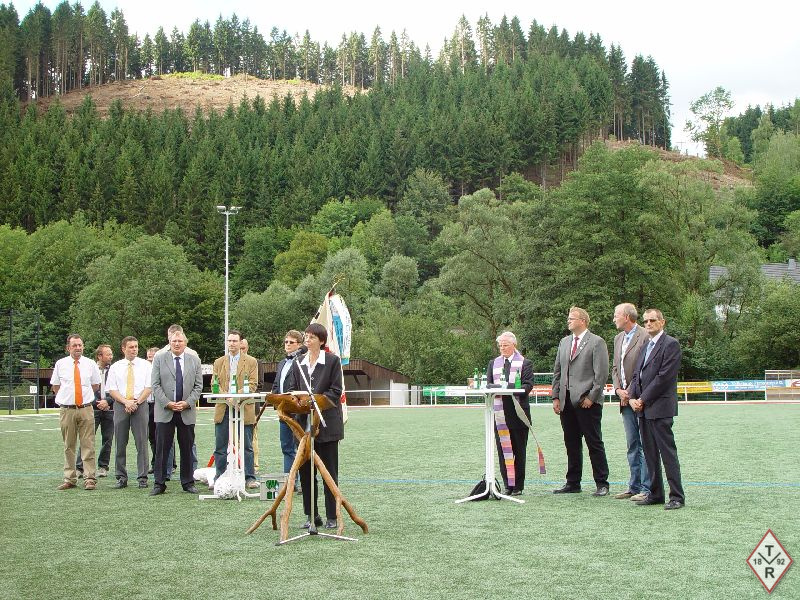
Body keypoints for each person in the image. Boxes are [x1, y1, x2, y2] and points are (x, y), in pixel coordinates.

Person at [287, 323, 344, 530]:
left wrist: (316, 401)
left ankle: (332, 516)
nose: (307, 340)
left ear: (321, 341)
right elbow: (293, 389)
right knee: (306, 473)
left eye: (312, 337)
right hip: (304, 427)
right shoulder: (298, 363)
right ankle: (311, 515)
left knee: (329, 472)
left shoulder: (332, 361)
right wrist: (297, 400)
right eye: (306, 336)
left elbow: (335, 391)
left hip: (326, 425)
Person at [629, 309, 685, 510]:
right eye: (645, 321)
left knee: (667, 453)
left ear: (662, 322)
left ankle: (676, 496)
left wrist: (642, 398)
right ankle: (655, 493)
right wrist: (632, 397)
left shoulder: (671, 344)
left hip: (660, 408)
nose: (648, 323)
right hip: (643, 409)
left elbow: (664, 377)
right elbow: (637, 375)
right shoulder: (646, 345)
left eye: (652, 320)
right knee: (650, 454)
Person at [551, 307, 611, 496]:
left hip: (587, 402)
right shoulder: (564, 342)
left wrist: (592, 397)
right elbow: (558, 371)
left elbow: (601, 374)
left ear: (583, 321)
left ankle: (602, 483)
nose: (568, 321)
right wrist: (555, 396)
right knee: (571, 443)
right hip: (566, 401)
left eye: (572, 318)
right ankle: (573, 482)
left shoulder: (596, 342)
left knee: (594, 442)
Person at [150, 329, 203, 495]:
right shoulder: (159, 358)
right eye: (174, 341)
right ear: (169, 343)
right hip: (165, 411)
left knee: (187, 448)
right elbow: (155, 385)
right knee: (161, 449)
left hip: (186, 412)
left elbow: (198, 386)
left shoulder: (194, 360)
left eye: (180, 341)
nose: (177, 344)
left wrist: (187, 403)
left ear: (185, 343)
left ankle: (188, 482)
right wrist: (167, 403)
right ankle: (159, 483)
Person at [485, 331, 534, 496]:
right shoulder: (493, 363)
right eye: (500, 345)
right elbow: (489, 385)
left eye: (505, 345)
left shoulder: (525, 363)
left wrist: (507, 388)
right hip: (500, 414)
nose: (502, 348)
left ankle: (518, 486)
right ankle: (508, 485)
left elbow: (527, 386)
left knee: (519, 452)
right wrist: (499, 388)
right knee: (503, 452)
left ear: (514, 345)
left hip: (519, 414)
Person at [51, 334, 102, 490]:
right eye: (74, 345)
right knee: (69, 445)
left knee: (88, 444)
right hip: (67, 410)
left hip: (86, 408)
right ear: (68, 348)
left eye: (80, 345)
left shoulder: (90, 363)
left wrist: (83, 398)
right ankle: (70, 478)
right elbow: (56, 386)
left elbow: (95, 385)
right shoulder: (60, 364)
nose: (78, 348)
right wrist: (68, 398)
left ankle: (90, 478)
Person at [611, 303, 651, 502]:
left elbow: (645, 368)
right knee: (632, 444)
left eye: (616, 315)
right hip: (625, 400)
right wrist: (618, 390)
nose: (614, 319)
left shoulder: (645, 335)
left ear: (626, 317)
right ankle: (633, 486)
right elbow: (615, 368)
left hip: (641, 400)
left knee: (645, 444)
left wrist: (632, 393)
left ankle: (647, 488)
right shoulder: (618, 338)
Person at [212, 329, 260, 489]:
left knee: (246, 445)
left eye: (234, 341)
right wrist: (227, 397)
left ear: (241, 343)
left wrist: (236, 397)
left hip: (244, 407)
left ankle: (249, 477)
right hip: (223, 408)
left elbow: (252, 385)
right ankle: (219, 477)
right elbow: (214, 384)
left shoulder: (251, 362)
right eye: (229, 341)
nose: (231, 343)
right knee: (220, 446)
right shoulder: (219, 362)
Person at [107, 336, 152, 489]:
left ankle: (142, 478)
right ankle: (121, 477)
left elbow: (149, 387)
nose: (134, 349)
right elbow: (112, 389)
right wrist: (126, 402)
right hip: (121, 405)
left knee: (142, 442)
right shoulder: (116, 367)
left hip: (140, 404)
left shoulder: (146, 365)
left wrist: (136, 402)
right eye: (131, 347)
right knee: (120, 442)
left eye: (136, 347)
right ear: (123, 348)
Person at [272, 330, 306, 493]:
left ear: (299, 344)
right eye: (286, 342)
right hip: (283, 411)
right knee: (286, 448)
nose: (287, 345)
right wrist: (275, 401)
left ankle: (304, 482)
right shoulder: (282, 363)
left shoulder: (303, 361)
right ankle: (290, 482)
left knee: (302, 448)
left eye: (291, 342)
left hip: (298, 411)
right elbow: (276, 384)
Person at [77, 344, 114, 478]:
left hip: (110, 409)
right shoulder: (89, 369)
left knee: (108, 439)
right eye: (108, 354)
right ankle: (80, 467)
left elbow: (118, 387)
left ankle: (103, 466)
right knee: (87, 438)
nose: (111, 356)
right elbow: (85, 387)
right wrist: (97, 402)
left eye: (111, 354)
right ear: (99, 356)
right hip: (92, 408)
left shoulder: (114, 370)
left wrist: (108, 401)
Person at [146, 346, 159, 474]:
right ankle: (155, 463)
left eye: (152, 357)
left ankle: (170, 464)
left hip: (158, 404)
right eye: (148, 357)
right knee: (152, 436)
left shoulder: (161, 367)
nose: (150, 360)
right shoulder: (143, 369)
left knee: (162, 435)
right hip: (147, 404)